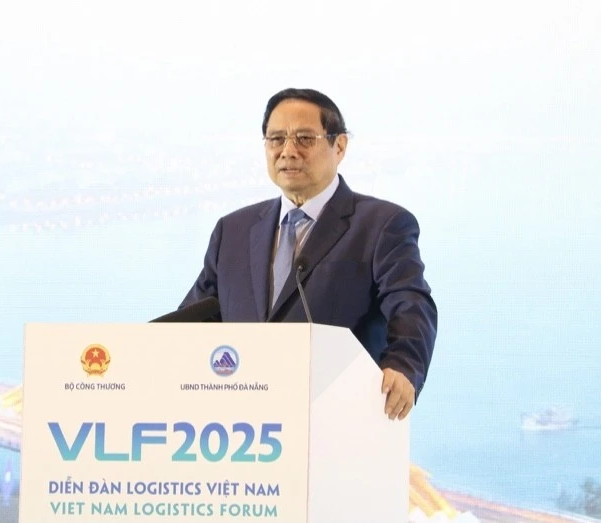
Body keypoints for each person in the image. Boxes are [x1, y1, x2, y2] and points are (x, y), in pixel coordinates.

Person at [180, 88, 437, 421]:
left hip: (335, 420)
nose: (288, 151)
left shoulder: (382, 225)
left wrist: (403, 365)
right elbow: (194, 319)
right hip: (241, 424)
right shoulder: (233, 230)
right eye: (276, 139)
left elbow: (410, 303)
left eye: (304, 138)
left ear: (339, 146)